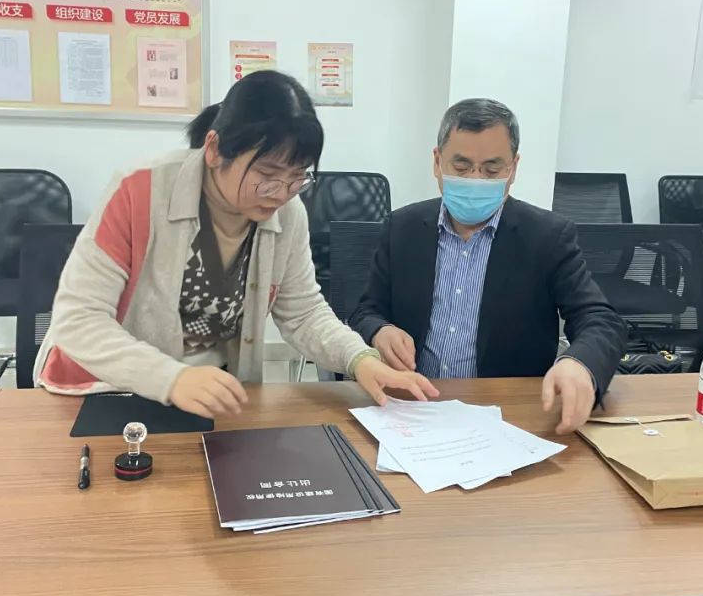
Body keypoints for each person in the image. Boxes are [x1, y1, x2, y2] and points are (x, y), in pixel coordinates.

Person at [36, 70, 438, 417]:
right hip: (108, 390)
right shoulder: (140, 191)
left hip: (214, 397)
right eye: (267, 173)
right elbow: (79, 319)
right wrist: (171, 378)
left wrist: (359, 358)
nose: (281, 192)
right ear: (214, 149)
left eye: (297, 176)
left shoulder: (287, 213)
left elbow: (303, 313)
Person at [350, 99, 626, 434]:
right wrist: (379, 330)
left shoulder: (547, 237)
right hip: (412, 405)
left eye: (492, 170)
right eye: (462, 167)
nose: (476, 180)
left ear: (513, 168)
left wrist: (579, 363)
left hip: (506, 414)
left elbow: (600, 319)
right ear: (437, 162)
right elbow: (366, 309)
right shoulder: (402, 228)